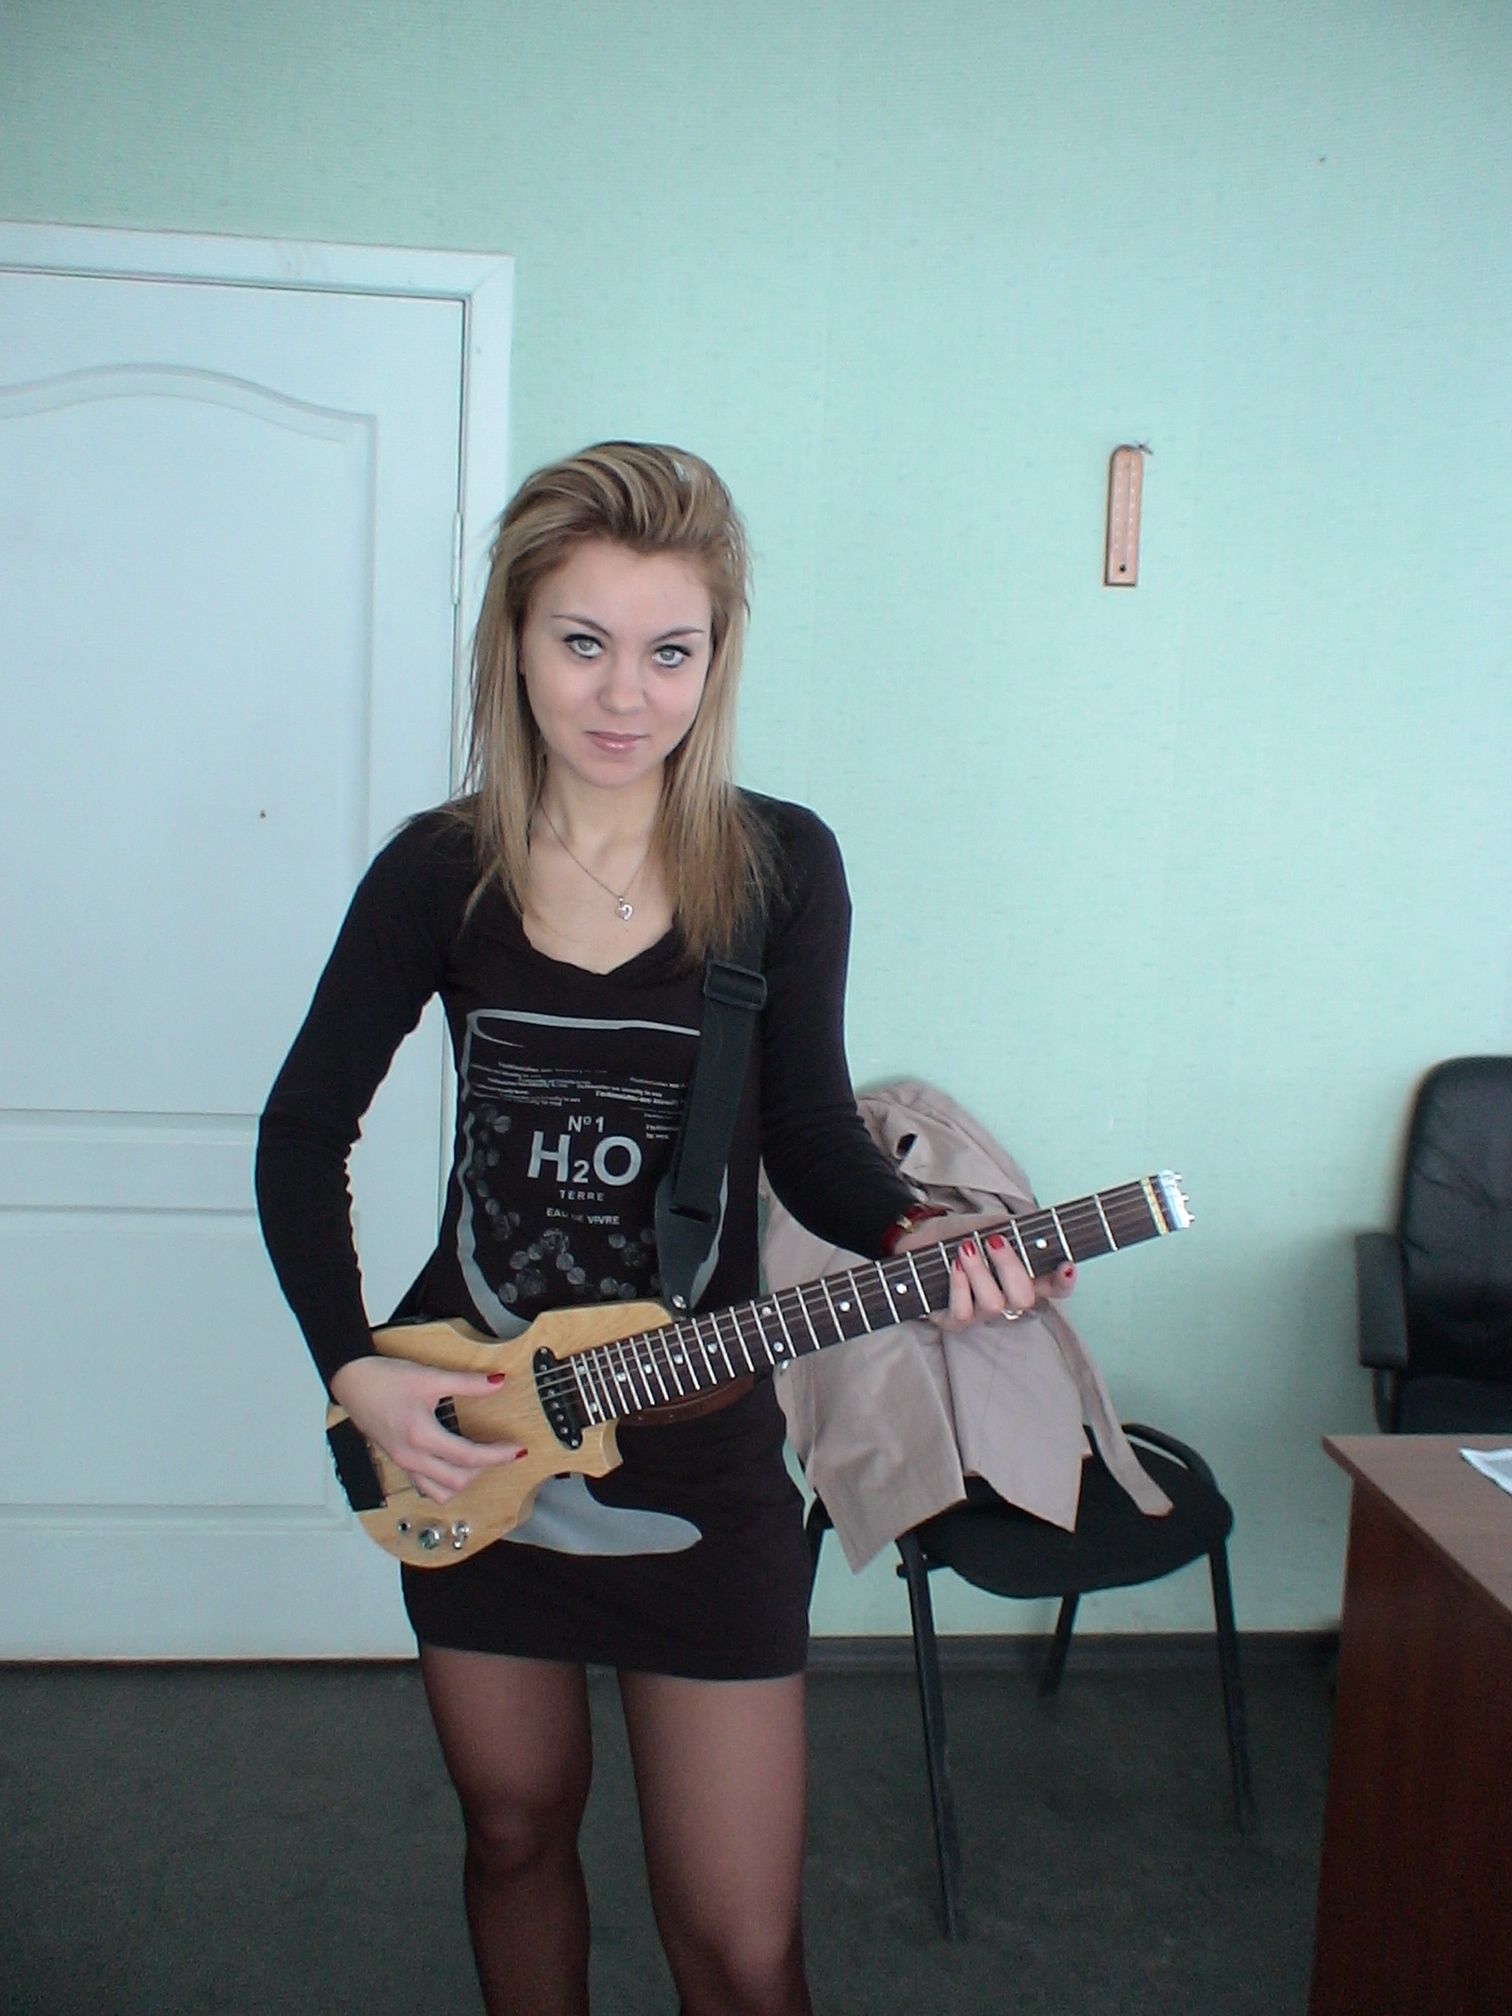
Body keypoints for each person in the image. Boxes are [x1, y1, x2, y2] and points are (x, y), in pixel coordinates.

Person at [255, 441, 1071, 2016]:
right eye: (584, 642)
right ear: (515, 642)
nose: (626, 694)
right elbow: (303, 1134)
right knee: (512, 1836)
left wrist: (911, 1235)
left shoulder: (779, 867)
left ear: (716, 657)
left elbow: (813, 1141)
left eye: (669, 650)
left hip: (700, 1454)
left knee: (744, 1951)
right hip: (478, 1425)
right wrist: (354, 1368)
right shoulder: (438, 873)